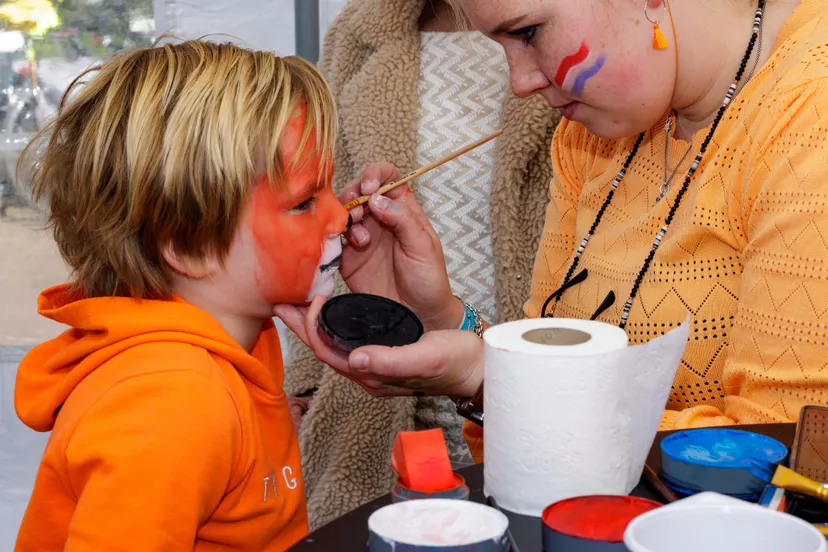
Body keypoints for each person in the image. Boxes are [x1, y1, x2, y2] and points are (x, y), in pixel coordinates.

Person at [277, 0, 828, 467]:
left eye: (529, 33)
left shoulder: (810, 113)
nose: (520, 83)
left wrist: (493, 378)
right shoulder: (591, 135)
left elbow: (787, 459)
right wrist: (444, 321)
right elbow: (554, 377)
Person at [14, 40, 349, 550]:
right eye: (305, 202)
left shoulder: (230, 344)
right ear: (191, 247)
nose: (341, 217)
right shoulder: (174, 404)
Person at [283, 0, 559, 528]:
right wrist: (307, 383)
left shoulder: (576, 34)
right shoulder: (358, 33)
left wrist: (485, 364)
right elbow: (321, 215)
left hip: (531, 405)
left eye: (525, 35)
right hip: (376, 412)